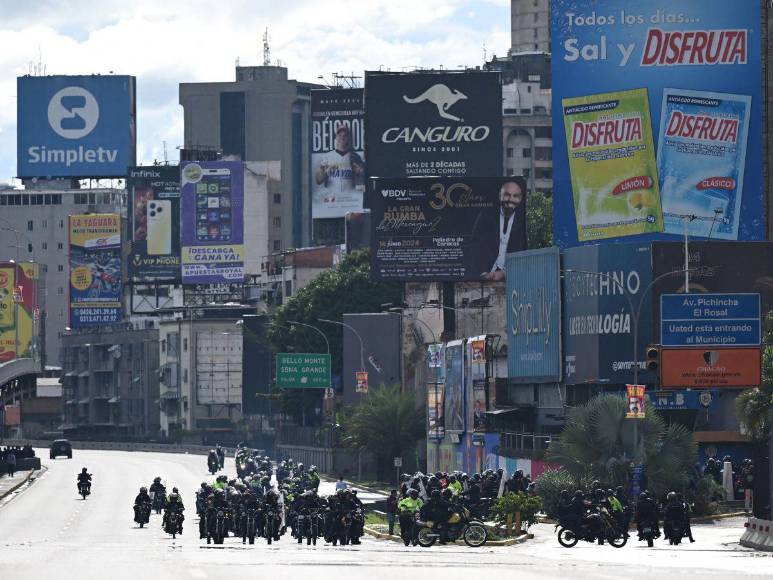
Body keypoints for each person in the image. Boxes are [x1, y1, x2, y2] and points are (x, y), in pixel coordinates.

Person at [480, 178, 527, 281]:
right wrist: (482, 272)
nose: (511, 199)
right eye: (507, 194)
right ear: (499, 196)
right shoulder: (486, 217)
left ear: (521, 198)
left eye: (515, 196)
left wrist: (504, 273)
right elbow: (474, 244)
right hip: (483, 275)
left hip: (512, 278)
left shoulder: (524, 221)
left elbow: (523, 257)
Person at [313, 124, 365, 206]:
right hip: (331, 201)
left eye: (345, 135)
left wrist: (360, 171)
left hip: (349, 200)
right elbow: (318, 181)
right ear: (336, 138)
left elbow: (365, 176)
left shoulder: (355, 156)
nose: (342, 137)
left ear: (348, 138)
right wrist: (325, 172)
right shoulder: (326, 156)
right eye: (339, 135)